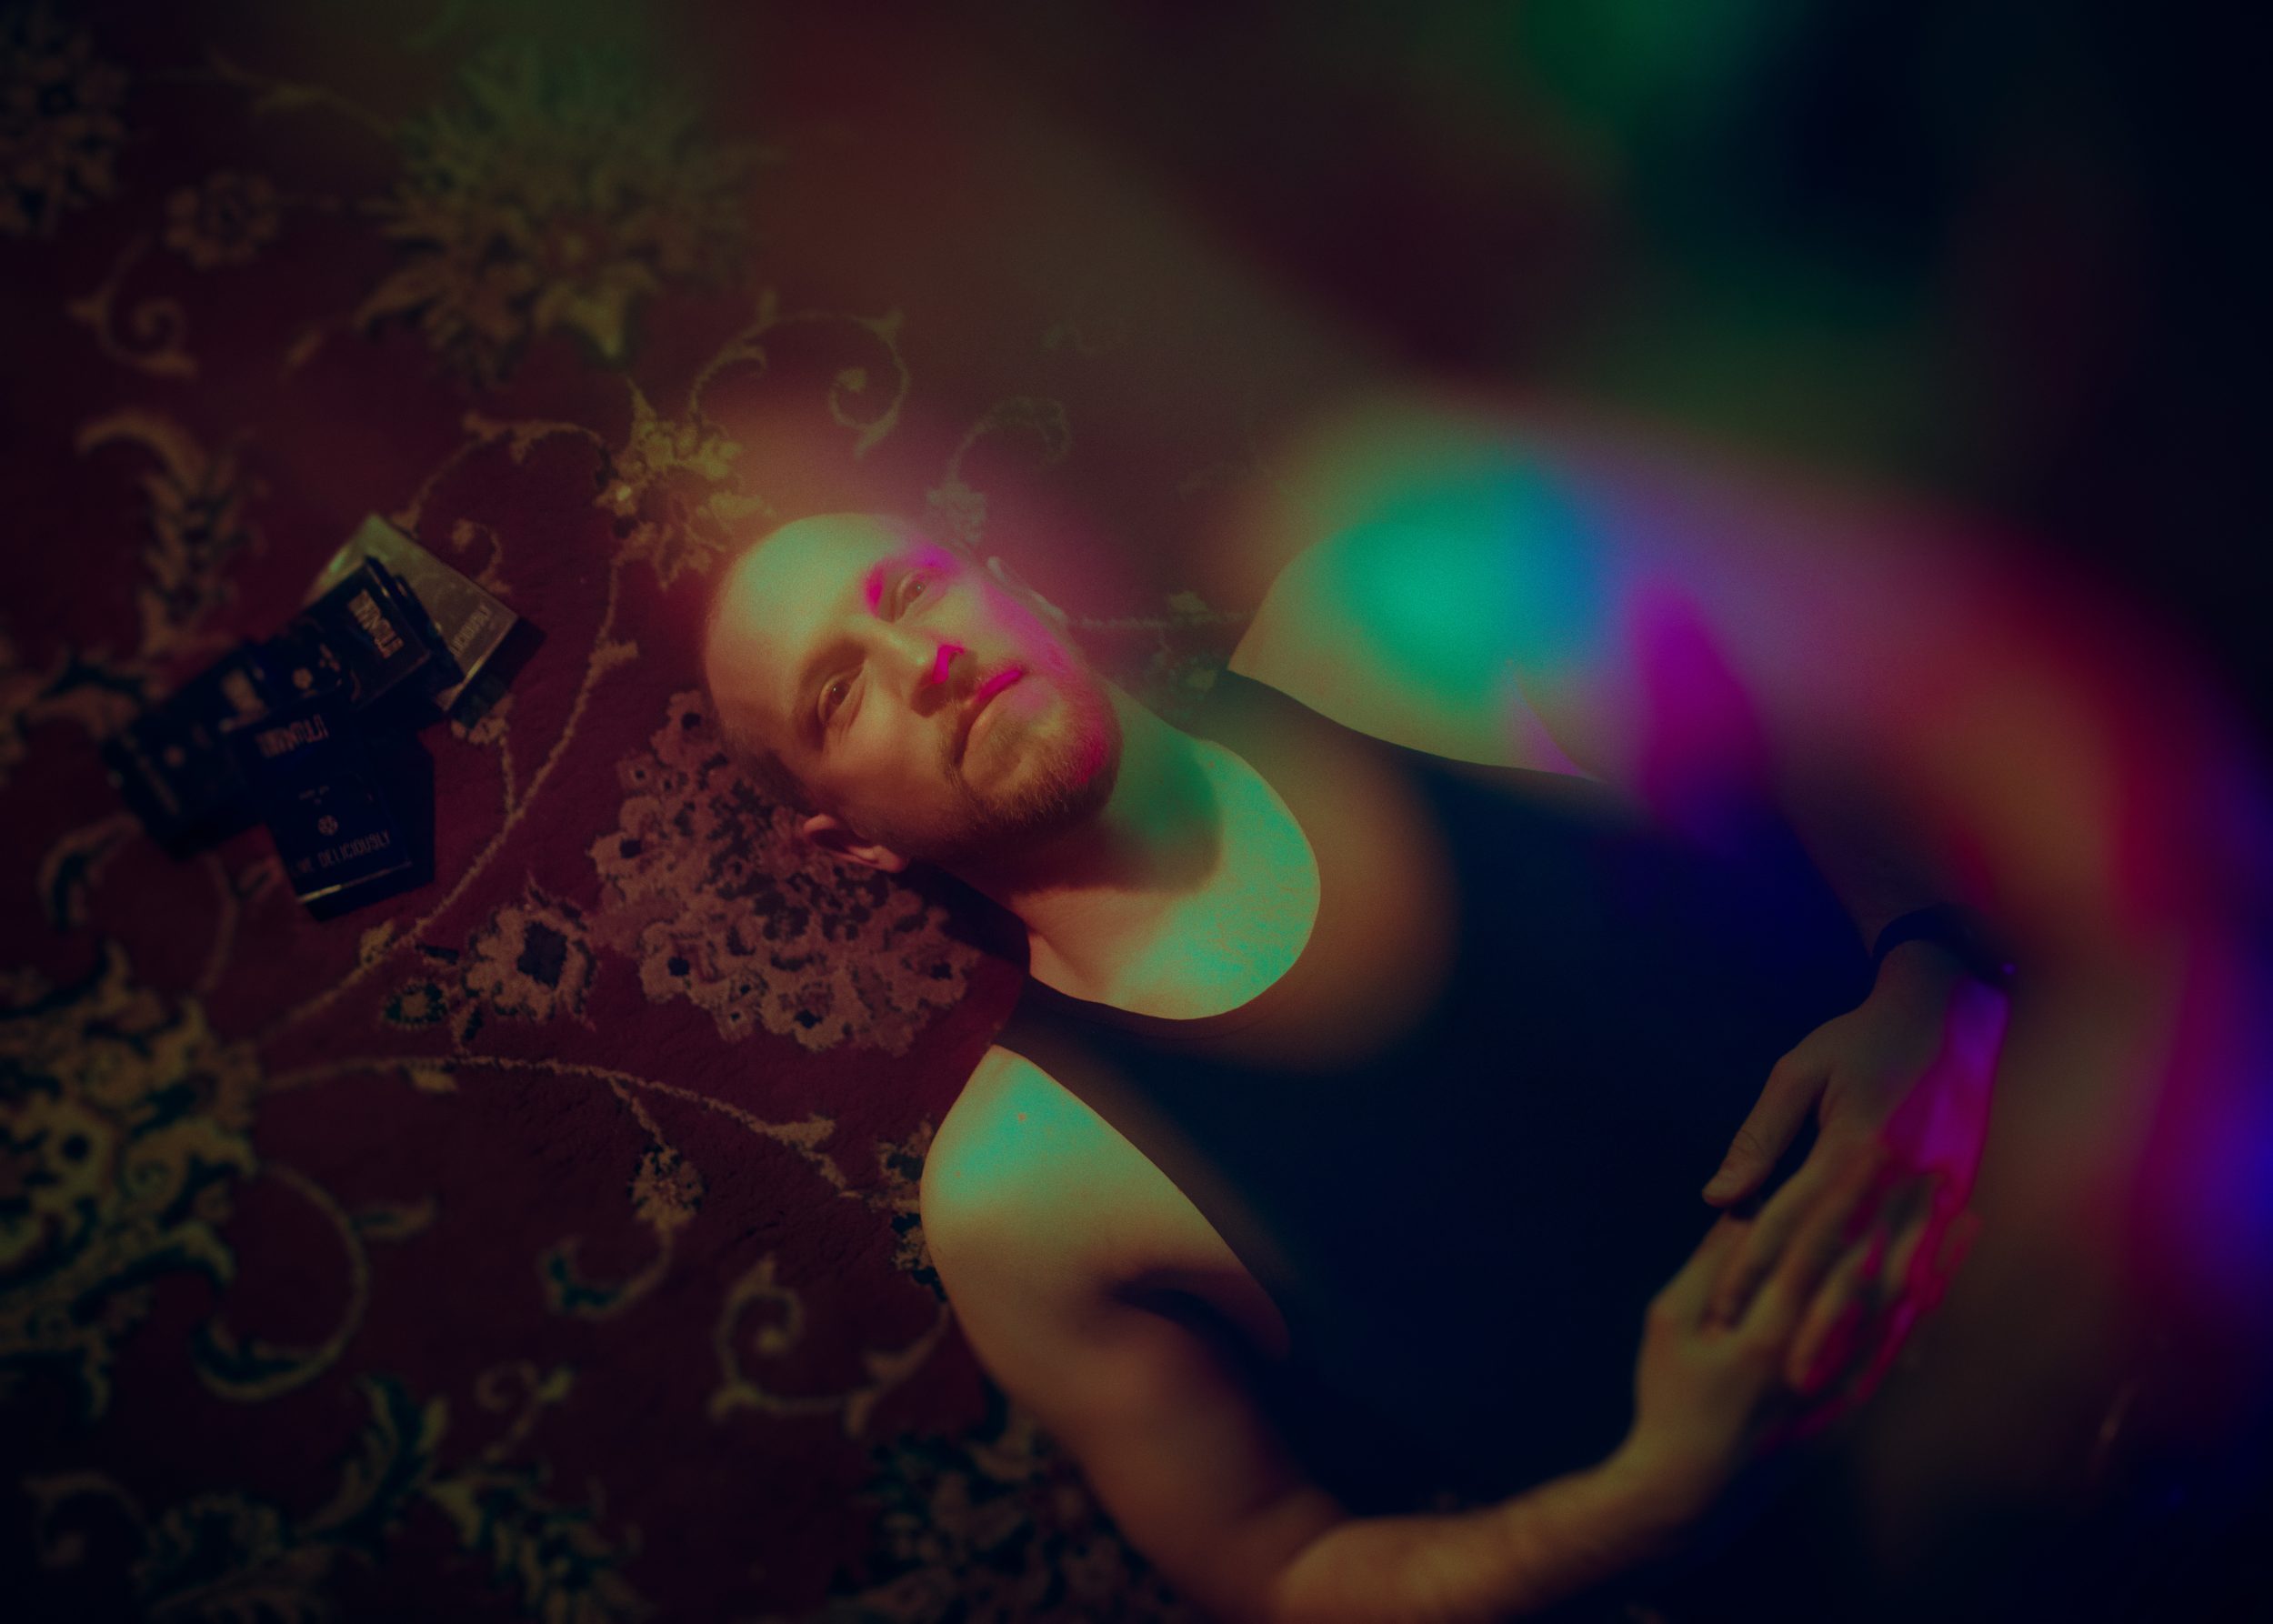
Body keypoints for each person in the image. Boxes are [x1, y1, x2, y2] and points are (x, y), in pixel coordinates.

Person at [699, 403, 2267, 1619]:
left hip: (2166, 1281)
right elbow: (1281, 1569)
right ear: (847, 840)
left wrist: (1945, 980)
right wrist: (1650, 1491)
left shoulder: (1398, 626)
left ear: (1014, 582)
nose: (922, 657)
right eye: (842, 688)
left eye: (913, 587)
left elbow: (1905, 735)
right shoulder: (1025, 1190)